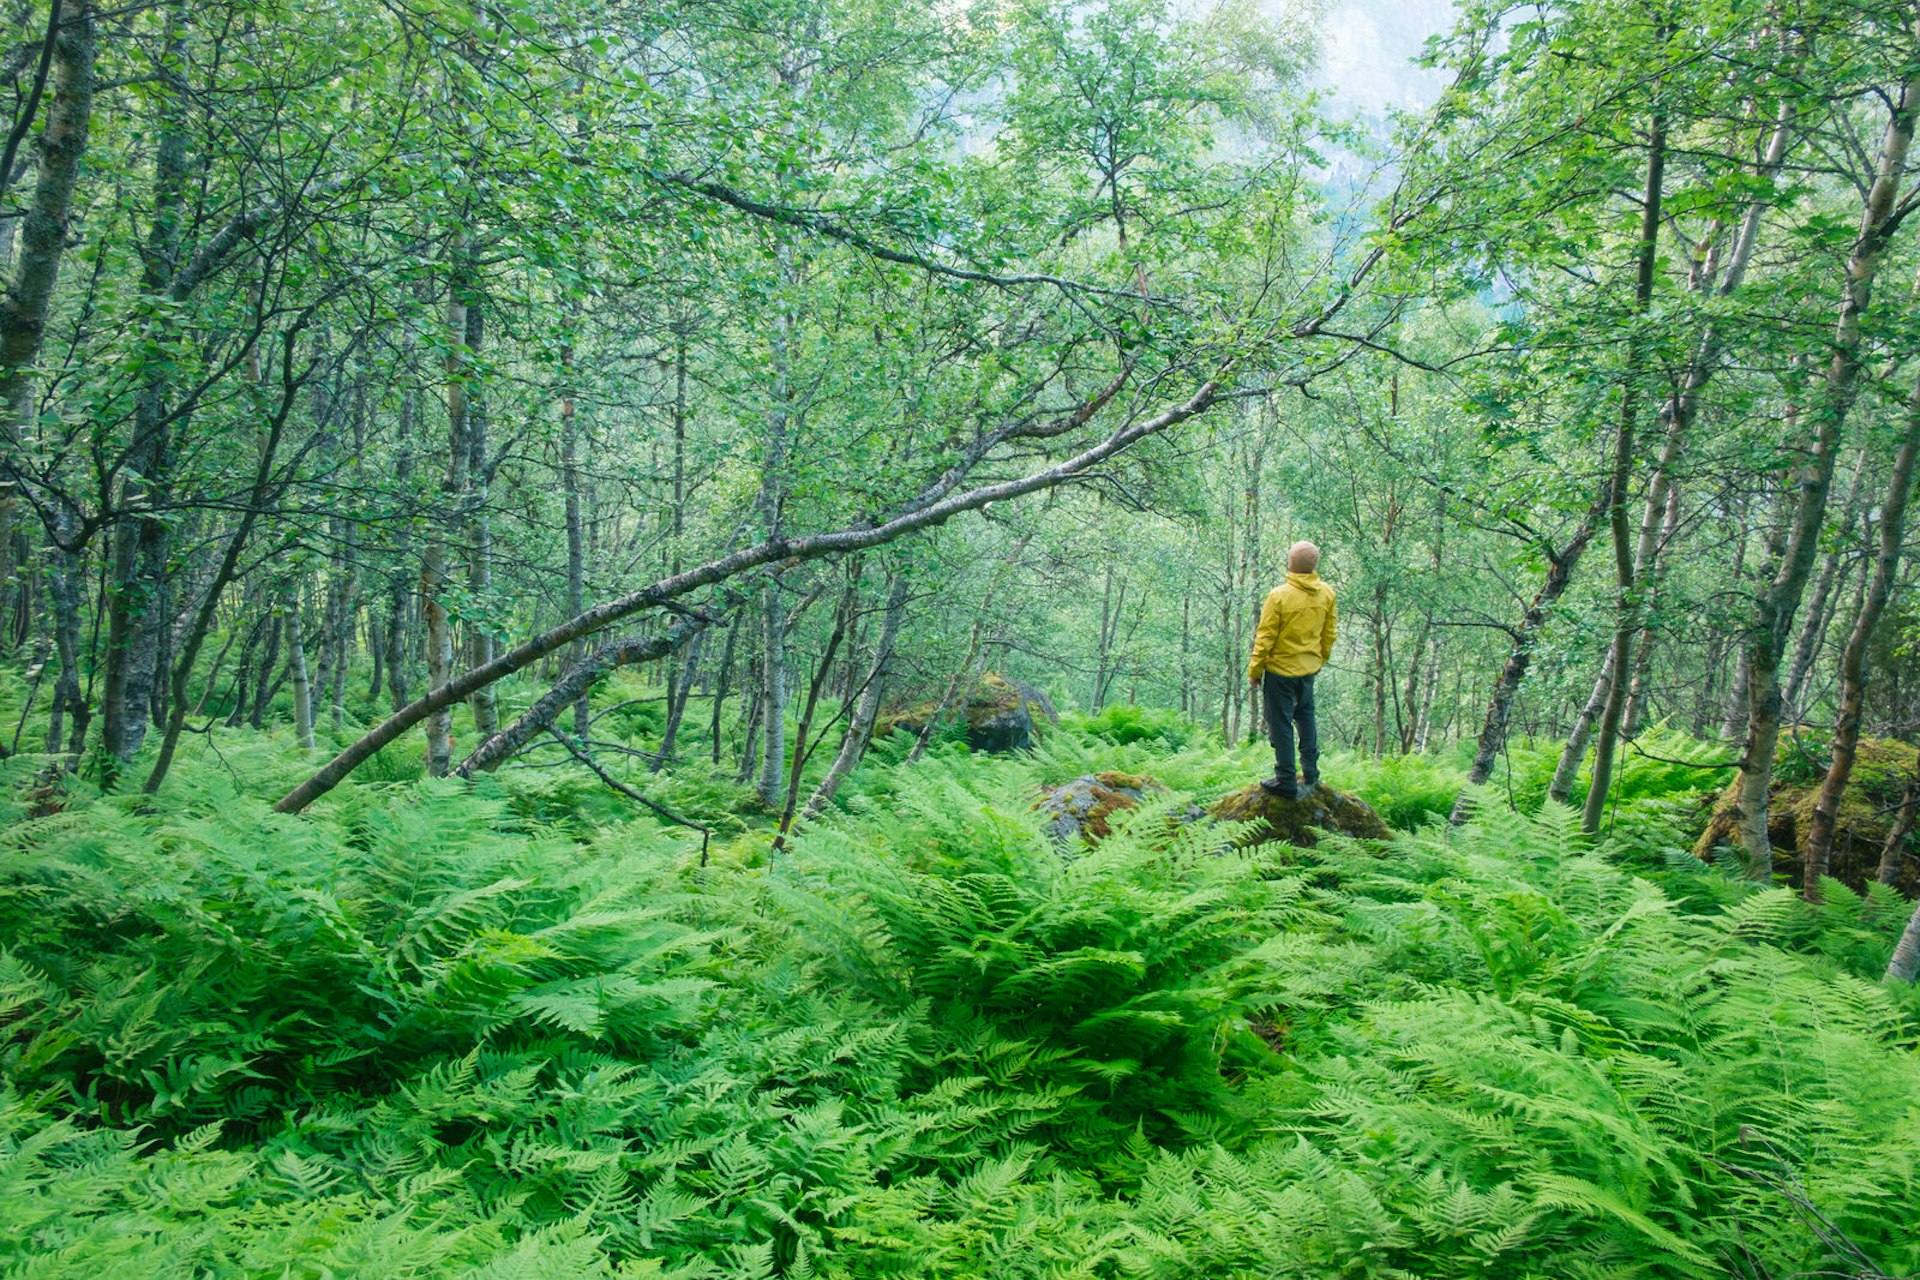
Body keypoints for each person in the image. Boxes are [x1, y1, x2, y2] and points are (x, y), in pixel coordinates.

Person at [1246, 541, 1337, 799]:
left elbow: (1265, 637)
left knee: (1281, 722)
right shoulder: (1327, 594)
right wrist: (1319, 661)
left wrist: (1255, 670)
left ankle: (1285, 779)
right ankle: (1311, 773)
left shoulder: (1279, 596)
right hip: (1308, 669)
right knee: (1306, 716)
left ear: (1291, 564)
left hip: (1280, 672)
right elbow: (1329, 634)